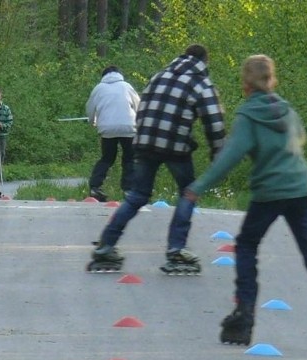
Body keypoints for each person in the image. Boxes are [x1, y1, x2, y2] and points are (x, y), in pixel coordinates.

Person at [185, 54, 307, 353]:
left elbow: (230, 156)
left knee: (247, 245)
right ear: (272, 80)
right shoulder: (287, 110)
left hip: (270, 193)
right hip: (300, 189)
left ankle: (245, 313)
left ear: (245, 83)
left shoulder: (248, 115)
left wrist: (198, 186)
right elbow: (301, 139)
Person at [87, 44, 226, 274]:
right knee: (187, 193)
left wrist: (142, 137)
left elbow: (141, 108)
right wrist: (218, 155)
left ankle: (106, 245)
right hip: (175, 144)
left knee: (137, 196)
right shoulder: (201, 83)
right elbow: (215, 121)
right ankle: (176, 250)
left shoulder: (160, 76)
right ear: (205, 60)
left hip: (145, 141)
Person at [85, 66, 140, 202]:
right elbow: (138, 104)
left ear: (104, 76)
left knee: (107, 158)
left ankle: (95, 187)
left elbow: (90, 108)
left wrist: (92, 121)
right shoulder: (126, 86)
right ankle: (128, 189)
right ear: (119, 74)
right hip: (128, 126)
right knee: (129, 158)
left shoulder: (99, 88)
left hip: (107, 128)